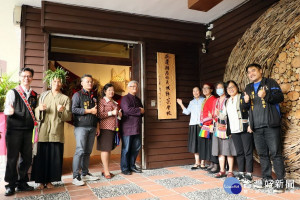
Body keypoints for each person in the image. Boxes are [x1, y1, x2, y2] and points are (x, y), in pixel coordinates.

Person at [243, 63, 285, 193]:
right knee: (262, 155)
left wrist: (266, 95)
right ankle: (267, 180)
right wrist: (245, 103)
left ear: (260, 71)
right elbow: (246, 109)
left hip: (271, 125)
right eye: (249, 72)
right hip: (256, 126)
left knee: (276, 154)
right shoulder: (248, 88)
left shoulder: (270, 83)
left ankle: (280, 182)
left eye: (253, 70)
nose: (251, 74)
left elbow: (280, 97)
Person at [31, 68, 72, 189]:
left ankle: (50, 181)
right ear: (50, 82)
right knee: (41, 158)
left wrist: (62, 111)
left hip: (56, 132)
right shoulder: (43, 96)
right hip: (43, 131)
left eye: (59, 81)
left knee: (53, 158)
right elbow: (36, 112)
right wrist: (40, 109)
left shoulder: (65, 98)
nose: (56, 84)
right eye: (54, 81)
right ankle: (40, 182)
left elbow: (68, 116)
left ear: (62, 83)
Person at [4, 68, 37, 196]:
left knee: (27, 158)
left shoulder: (34, 94)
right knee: (12, 158)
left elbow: (34, 111)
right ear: (20, 77)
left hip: (28, 131)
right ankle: (10, 185)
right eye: (24, 76)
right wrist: (9, 111)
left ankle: (21, 182)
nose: (26, 78)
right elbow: (7, 108)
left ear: (32, 78)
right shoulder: (13, 93)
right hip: (14, 131)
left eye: (29, 76)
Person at [72, 74, 99, 186]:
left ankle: (85, 173)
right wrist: (89, 111)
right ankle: (75, 176)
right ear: (82, 83)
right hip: (81, 127)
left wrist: (97, 126)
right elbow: (73, 109)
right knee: (80, 150)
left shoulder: (93, 96)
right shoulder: (77, 95)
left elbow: (96, 113)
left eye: (91, 81)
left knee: (87, 151)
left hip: (92, 127)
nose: (90, 83)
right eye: (87, 81)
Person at [224, 80, 253, 182]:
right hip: (234, 129)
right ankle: (241, 172)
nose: (231, 89)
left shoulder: (242, 97)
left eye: (232, 87)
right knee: (240, 152)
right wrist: (229, 131)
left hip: (245, 127)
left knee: (248, 152)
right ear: (226, 90)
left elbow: (250, 111)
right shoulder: (227, 101)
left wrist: (250, 125)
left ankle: (249, 174)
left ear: (236, 87)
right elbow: (227, 117)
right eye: (228, 88)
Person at [212, 82, 237, 178]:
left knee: (229, 149)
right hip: (217, 127)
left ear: (225, 89)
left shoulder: (228, 99)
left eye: (221, 88)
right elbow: (213, 114)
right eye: (217, 88)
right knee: (219, 150)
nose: (219, 90)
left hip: (227, 128)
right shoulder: (216, 100)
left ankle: (230, 171)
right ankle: (222, 170)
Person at [97, 83, 122, 179]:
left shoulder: (114, 103)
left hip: (113, 128)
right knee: (105, 149)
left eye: (112, 90)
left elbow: (117, 116)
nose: (111, 92)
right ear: (105, 91)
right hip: (104, 128)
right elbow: (99, 115)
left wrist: (119, 115)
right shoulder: (102, 101)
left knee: (109, 149)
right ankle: (106, 171)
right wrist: (111, 112)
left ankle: (106, 169)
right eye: (109, 90)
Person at [177, 87, 204, 170]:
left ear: (200, 92)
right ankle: (197, 162)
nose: (195, 92)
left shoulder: (204, 100)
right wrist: (181, 104)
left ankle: (203, 162)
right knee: (194, 143)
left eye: (197, 91)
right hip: (193, 124)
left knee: (202, 143)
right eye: (194, 91)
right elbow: (187, 112)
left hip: (202, 125)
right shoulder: (191, 102)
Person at [120, 80, 144, 175]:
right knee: (126, 148)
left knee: (136, 148)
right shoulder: (125, 99)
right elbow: (127, 110)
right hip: (127, 128)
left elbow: (143, 111)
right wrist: (139, 110)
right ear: (128, 88)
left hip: (137, 127)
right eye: (132, 86)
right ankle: (125, 168)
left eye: (136, 86)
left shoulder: (138, 99)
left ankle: (132, 166)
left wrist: (140, 111)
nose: (134, 88)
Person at [199, 83, 219, 173]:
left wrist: (211, 124)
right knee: (207, 145)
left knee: (212, 144)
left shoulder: (213, 99)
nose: (205, 90)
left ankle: (216, 164)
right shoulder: (205, 99)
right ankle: (211, 162)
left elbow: (214, 114)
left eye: (207, 88)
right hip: (205, 125)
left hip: (211, 124)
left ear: (211, 90)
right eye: (203, 88)